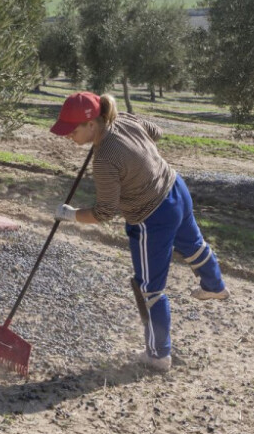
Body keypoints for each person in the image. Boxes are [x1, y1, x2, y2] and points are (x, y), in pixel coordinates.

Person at [50, 91, 231, 371]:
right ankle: (214, 286)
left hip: (152, 215)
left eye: (72, 131)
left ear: (91, 124)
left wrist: (71, 214)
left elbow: (105, 212)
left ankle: (158, 355)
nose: (68, 137)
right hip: (175, 189)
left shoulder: (104, 159)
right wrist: (137, 157)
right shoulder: (124, 119)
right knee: (193, 245)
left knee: (150, 288)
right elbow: (156, 132)